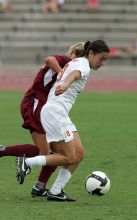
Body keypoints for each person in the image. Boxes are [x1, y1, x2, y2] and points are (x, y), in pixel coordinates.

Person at [16, 39, 110, 201]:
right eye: (101, 59)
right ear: (91, 53)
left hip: (58, 113)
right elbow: (74, 75)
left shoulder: (77, 61)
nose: (102, 63)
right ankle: (27, 162)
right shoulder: (83, 65)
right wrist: (66, 84)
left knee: (78, 154)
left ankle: (56, 191)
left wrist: (65, 82)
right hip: (55, 113)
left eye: (105, 61)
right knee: (68, 157)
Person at [0, 42, 85, 201]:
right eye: (77, 53)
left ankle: (39, 186)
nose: (78, 57)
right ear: (72, 52)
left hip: (44, 108)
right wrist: (62, 73)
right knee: (47, 152)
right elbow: (49, 59)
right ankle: (6, 152)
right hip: (36, 104)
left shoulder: (74, 68)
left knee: (55, 153)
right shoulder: (65, 61)